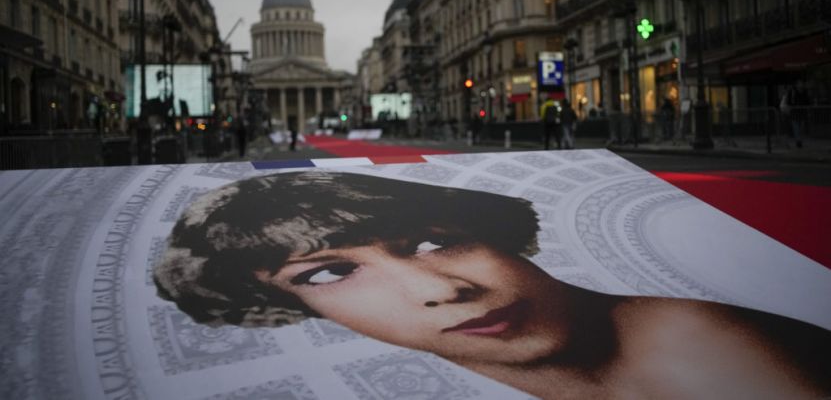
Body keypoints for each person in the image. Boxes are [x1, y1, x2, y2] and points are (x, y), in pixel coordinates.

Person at [154, 172, 831, 400]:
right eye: (328, 272)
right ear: (286, 305)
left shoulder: (692, 341)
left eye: (431, 240)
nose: (439, 289)